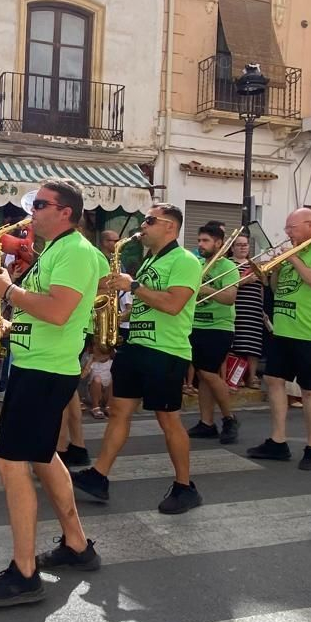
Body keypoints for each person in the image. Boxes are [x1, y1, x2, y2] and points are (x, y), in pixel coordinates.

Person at [0, 180, 105, 606]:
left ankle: (24, 572)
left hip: (45, 371)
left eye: (41, 204)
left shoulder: (75, 252)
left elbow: (60, 311)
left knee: (10, 463)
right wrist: (10, 326)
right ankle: (77, 545)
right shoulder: (56, 250)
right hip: (37, 365)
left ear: (65, 212)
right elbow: (47, 313)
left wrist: (7, 290)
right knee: (44, 458)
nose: (32, 211)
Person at [70, 203, 205, 514]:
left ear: (170, 226)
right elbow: (144, 304)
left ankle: (185, 487)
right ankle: (99, 476)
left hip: (166, 350)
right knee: (119, 411)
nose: (143, 226)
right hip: (136, 345)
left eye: (150, 220)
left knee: (167, 419)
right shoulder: (149, 261)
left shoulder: (185, 260)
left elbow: (173, 304)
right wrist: (115, 314)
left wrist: (132, 285)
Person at [251, 207, 311, 469]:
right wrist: (276, 268)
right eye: (287, 228)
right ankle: (278, 440)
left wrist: (291, 258)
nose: (287, 233)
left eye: (292, 228)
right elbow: (276, 288)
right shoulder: (294, 251)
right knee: (273, 380)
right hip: (283, 329)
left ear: (310, 225)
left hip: (310, 331)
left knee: (310, 390)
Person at [188, 221, 241, 444]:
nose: (200, 244)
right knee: (202, 376)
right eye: (199, 240)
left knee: (209, 373)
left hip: (218, 327)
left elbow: (230, 298)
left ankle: (229, 418)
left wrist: (206, 289)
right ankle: (206, 422)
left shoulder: (228, 267)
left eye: (205, 241)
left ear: (218, 243)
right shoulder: (197, 264)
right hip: (195, 325)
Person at [228, 231, 267, 390]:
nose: (243, 247)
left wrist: (262, 309)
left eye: (245, 244)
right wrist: (245, 280)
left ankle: (252, 376)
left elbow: (262, 288)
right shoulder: (228, 264)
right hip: (237, 309)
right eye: (239, 245)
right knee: (237, 344)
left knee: (253, 345)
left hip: (254, 310)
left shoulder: (253, 264)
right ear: (232, 248)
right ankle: (236, 377)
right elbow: (226, 285)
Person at [86, 342, 114, 417]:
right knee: (97, 379)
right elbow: (82, 377)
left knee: (116, 378)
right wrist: (90, 362)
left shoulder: (112, 361)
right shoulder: (92, 361)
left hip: (107, 394)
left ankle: (109, 406)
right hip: (94, 393)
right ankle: (95, 407)